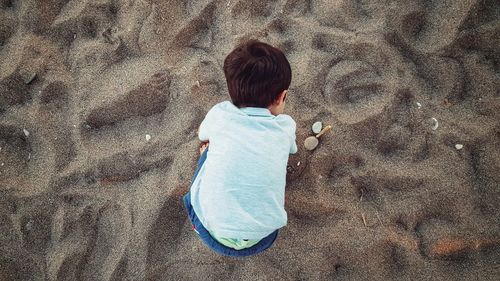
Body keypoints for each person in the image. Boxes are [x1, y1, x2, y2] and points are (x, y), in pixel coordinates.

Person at [183, 40, 297, 257]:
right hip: (262, 237)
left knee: (208, 149)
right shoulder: (285, 127)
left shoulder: (220, 114)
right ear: (282, 96)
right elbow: (291, 150)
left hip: (208, 229)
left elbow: (202, 134)